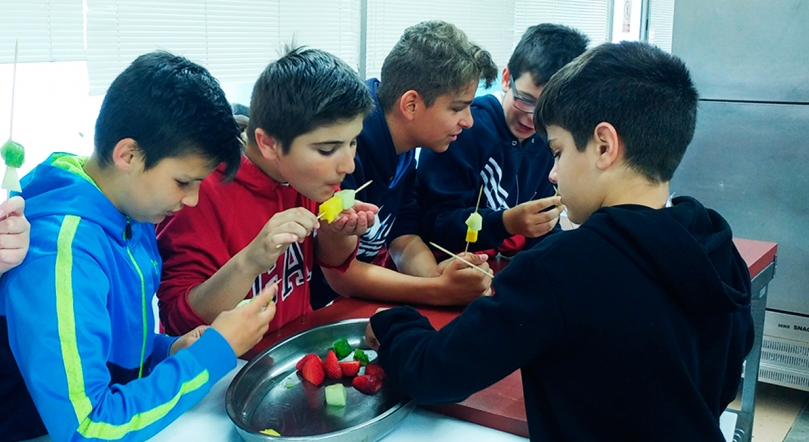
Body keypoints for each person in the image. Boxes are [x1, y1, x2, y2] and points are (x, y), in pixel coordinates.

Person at [366, 41, 754, 441]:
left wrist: (394, 323)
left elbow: (437, 374)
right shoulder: (712, 241)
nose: (552, 173)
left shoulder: (563, 267)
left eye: (558, 151)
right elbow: (726, 375)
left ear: (604, 146)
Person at [0, 51, 276, 442]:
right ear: (127, 155)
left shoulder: (131, 209)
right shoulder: (64, 254)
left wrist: (168, 349)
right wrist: (213, 353)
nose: (193, 200)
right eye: (183, 182)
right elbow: (88, 426)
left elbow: (113, 354)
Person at [155, 47, 376, 348]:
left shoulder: (309, 177)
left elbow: (333, 264)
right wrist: (251, 260)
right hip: (226, 369)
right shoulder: (197, 193)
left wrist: (337, 232)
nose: (348, 165)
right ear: (268, 143)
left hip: (291, 349)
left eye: (352, 142)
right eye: (327, 150)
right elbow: (178, 321)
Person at [312, 21, 498, 308]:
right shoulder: (345, 151)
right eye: (457, 108)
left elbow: (403, 236)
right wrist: (437, 291)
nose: (469, 121)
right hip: (322, 311)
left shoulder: (405, 148)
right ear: (410, 104)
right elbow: (340, 274)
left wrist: (437, 277)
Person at [417, 24, 588, 256]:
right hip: (445, 265)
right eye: (526, 99)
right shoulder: (464, 129)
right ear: (507, 79)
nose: (532, 118)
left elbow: (545, 227)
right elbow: (435, 225)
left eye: (548, 109)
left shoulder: (550, 139)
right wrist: (506, 223)